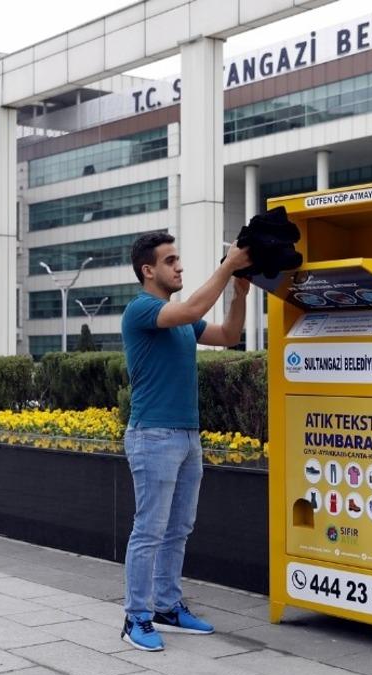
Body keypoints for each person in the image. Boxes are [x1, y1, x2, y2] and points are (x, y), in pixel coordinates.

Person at [120, 230, 251, 652]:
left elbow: (229, 336)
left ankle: (167, 607)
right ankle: (136, 617)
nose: (179, 267)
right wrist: (228, 265)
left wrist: (240, 292)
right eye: (171, 261)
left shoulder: (182, 321)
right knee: (150, 530)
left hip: (187, 436)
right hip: (152, 435)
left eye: (179, 260)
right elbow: (195, 305)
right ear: (148, 270)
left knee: (179, 528)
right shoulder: (142, 310)